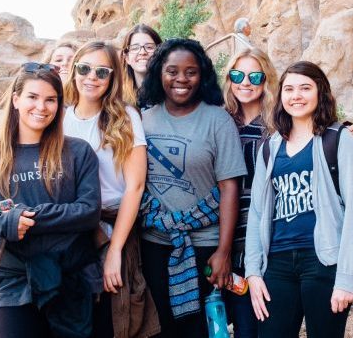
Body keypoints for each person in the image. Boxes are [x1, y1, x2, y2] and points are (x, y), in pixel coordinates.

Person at [0, 62, 101, 338]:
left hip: (70, 279)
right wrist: (3, 223)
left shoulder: (78, 152)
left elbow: (88, 212)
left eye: (51, 100)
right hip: (13, 281)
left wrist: (26, 218)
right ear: (15, 99)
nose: (41, 107)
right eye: (32, 97)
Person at [244, 61, 353, 338]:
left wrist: (347, 280)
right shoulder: (269, 146)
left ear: (320, 92)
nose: (296, 95)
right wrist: (253, 272)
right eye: (288, 89)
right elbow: (257, 213)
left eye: (304, 88)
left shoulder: (338, 139)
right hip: (277, 263)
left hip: (323, 260)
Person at [138, 38, 246, 338]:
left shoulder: (217, 120)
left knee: (200, 330)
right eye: (172, 71)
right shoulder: (144, 119)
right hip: (155, 243)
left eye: (191, 72)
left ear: (203, 76)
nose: (181, 79)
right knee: (162, 328)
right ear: (159, 72)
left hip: (204, 247)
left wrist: (224, 251)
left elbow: (229, 188)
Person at [63, 41, 159, 338]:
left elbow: (135, 186)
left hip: (113, 226)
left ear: (112, 77)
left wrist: (115, 250)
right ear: (74, 71)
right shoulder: (60, 118)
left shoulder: (125, 117)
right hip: (71, 231)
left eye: (101, 72)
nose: (91, 77)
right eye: (84, 68)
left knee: (115, 312)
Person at [222, 47, 279, 338]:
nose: (245, 82)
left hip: (271, 233)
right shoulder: (220, 121)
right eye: (237, 75)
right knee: (243, 324)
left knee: (272, 321)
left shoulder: (280, 123)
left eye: (254, 76)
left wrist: (351, 129)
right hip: (229, 238)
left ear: (266, 79)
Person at [121, 24, 163, 106]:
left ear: (160, 52)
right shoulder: (119, 100)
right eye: (135, 48)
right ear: (126, 58)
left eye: (149, 47)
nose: (142, 52)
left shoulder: (171, 94)